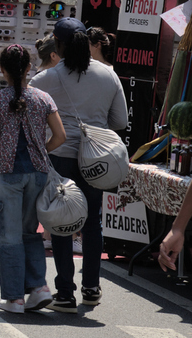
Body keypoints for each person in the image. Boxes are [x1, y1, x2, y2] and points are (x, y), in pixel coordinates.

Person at [30, 17, 127, 312]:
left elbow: (31, 124)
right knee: (92, 224)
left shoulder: (43, 80)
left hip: (59, 157)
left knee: (61, 223)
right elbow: (120, 121)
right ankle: (92, 286)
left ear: (56, 45)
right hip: (95, 162)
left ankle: (64, 293)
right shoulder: (108, 75)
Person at [0, 44, 66, 313]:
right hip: (38, 173)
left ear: (2, 70)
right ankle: (39, 287)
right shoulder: (43, 98)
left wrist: (1, 140)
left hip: (9, 173)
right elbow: (60, 136)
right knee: (31, 232)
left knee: (8, 235)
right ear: (29, 68)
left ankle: (15, 297)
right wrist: (41, 150)